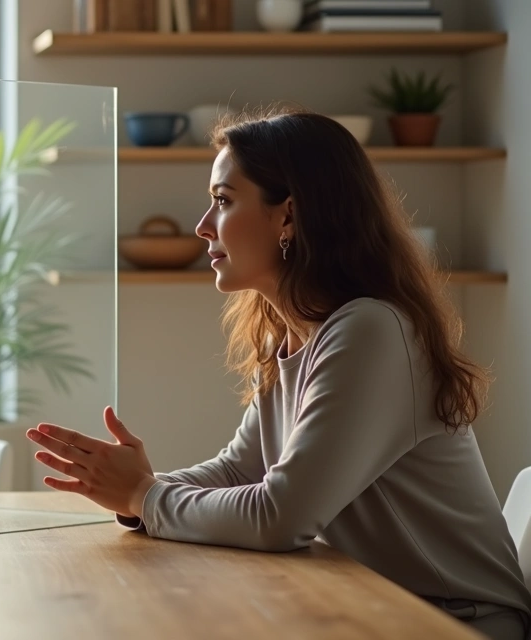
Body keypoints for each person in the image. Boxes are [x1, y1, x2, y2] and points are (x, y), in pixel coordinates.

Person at [28, 110, 531, 639]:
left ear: (287, 216)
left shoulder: (372, 331)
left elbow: (281, 516)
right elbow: (238, 471)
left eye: (223, 201)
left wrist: (146, 497)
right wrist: (133, 492)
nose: (203, 225)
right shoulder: (289, 333)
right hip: (366, 607)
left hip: (454, 622)